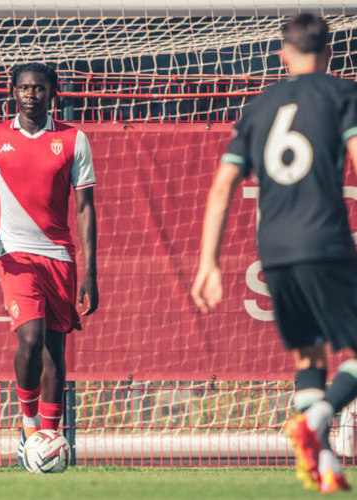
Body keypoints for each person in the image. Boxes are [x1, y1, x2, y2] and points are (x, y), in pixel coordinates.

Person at [191, 13, 357, 493]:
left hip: (275, 252)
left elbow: (223, 187)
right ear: (330, 54)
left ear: (282, 54)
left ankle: (325, 467)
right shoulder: (342, 94)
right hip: (324, 242)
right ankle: (317, 420)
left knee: (309, 358)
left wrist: (209, 262)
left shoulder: (259, 106)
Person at [0, 62, 98, 470]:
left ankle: (51, 438)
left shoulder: (74, 140)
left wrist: (91, 271)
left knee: (56, 350)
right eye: (23, 88)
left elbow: (86, 207)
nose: (30, 95)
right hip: (14, 253)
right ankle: (28, 427)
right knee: (30, 339)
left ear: (52, 92)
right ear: (13, 92)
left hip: (59, 255)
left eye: (39, 88)